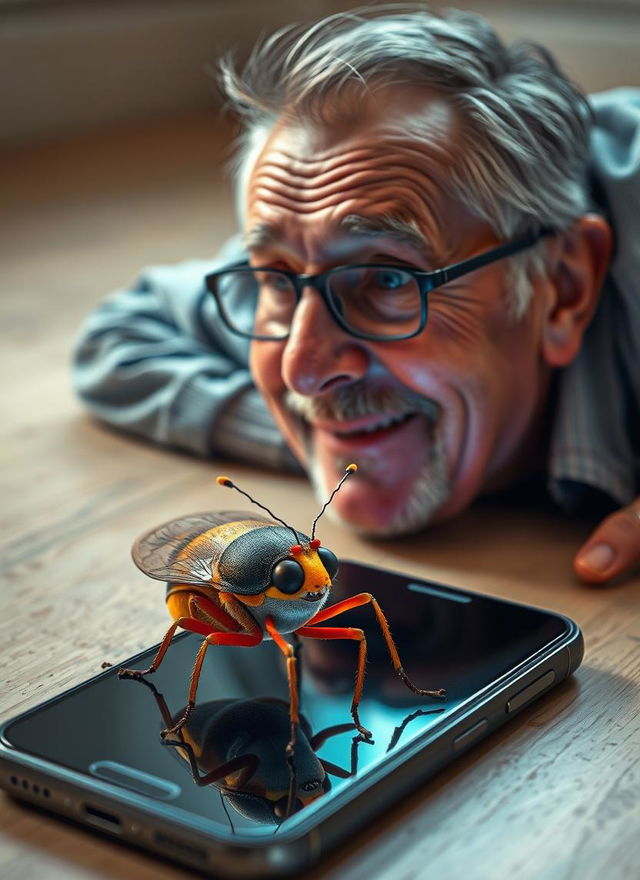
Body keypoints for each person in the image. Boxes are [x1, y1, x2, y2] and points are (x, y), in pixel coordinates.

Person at [73, 4, 640, 584]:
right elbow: (121, 338)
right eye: (276, 278)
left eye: (388, 279)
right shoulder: (313, 231)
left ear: (565, 288)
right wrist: (333, 442)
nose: (302, 369)